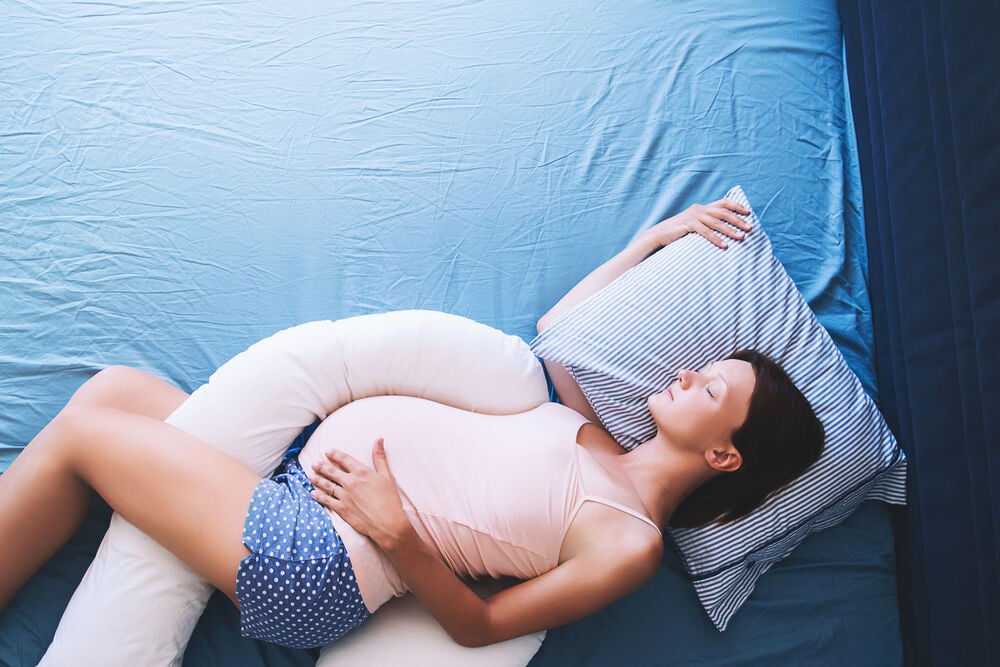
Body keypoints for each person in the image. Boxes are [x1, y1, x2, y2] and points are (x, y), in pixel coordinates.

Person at [0, 199, 824, 650]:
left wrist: (396, 532)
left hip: (320, 561)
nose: (685, 372)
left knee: (84, 430)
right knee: (119, 389)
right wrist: (658, 238)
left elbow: (482, 625)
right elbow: (562, 329)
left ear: (722, 452)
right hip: (298, 487)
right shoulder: (598, 437)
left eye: (711, 385)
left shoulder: (633, 543)